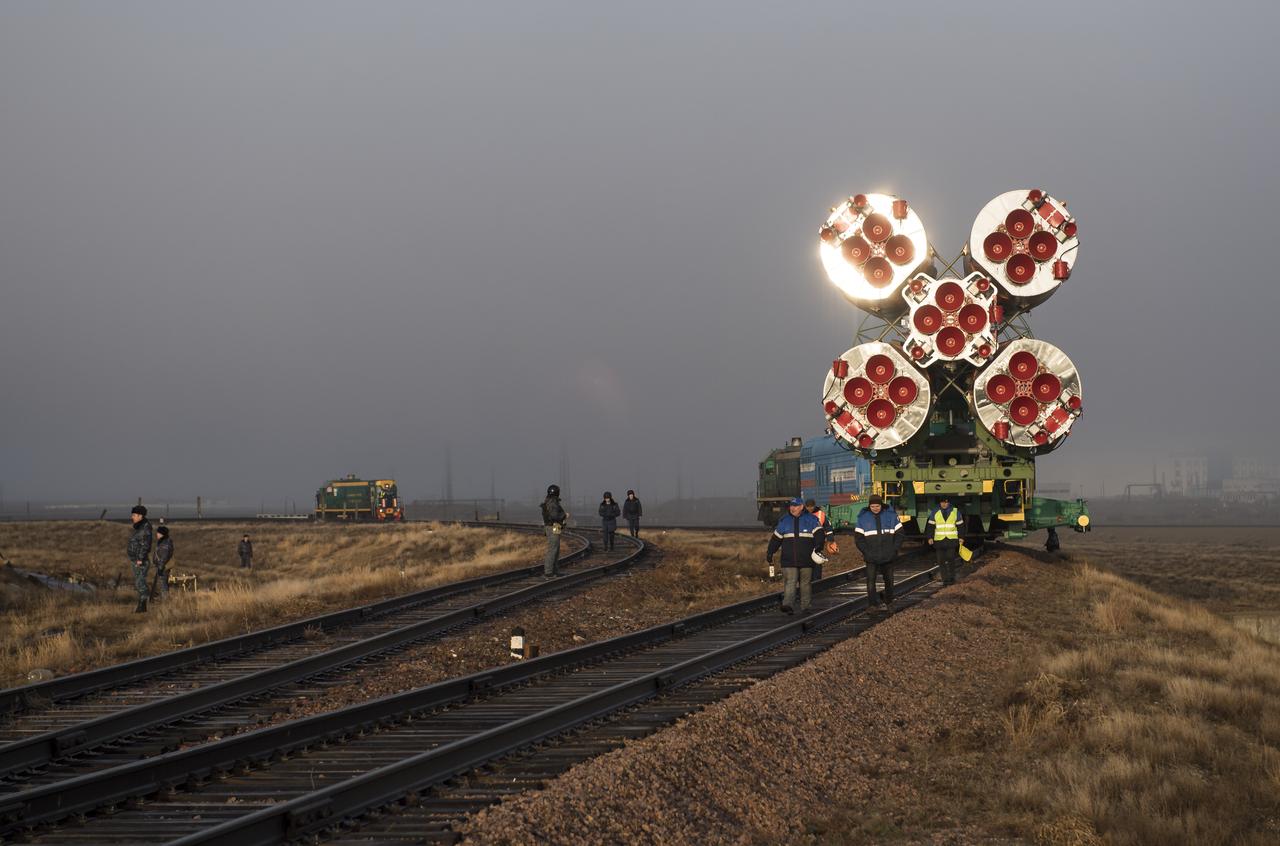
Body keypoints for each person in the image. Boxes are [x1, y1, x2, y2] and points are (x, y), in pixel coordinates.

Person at [765, 497, 826, 615]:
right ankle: (787, 605)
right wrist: (770, 552)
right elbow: (776, 539)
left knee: (805, 583)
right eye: (791, 506)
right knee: (790, 581)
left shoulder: (811, 519)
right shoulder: (784, 521)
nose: (792, 508)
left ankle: (806, 607)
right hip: (789, 559)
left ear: (802, 507)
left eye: (795, 506)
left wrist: (819, 547)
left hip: (807, 558)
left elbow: (820, 535)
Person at [854, 494, 903, 610]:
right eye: (872, 506)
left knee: (889, 581)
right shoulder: (862, 518)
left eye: (877, 506)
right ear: (869, 506)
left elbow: (900, 534)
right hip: (871, 557)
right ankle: (872, 605)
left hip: (888, 556)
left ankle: (889, 602)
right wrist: (866, 552)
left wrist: (894, 549)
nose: (875, 508)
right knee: (871, 582)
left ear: (881, 505)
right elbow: (858, 539)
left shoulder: (891, 516)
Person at [925, 495, 963, 586]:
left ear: (948, 503)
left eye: (945, 502)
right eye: (942, 502)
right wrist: (930, 537)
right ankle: (945, 579)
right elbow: (930, 526)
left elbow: (960, 526)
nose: (944, 504)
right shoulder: (935, 512)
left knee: (950, 558)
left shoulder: (955, 511)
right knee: (941, 560)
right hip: (939, 541)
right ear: (940, 503)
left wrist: (961, 537)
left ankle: (952, 577)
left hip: (951, 540)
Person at [126, 505, 153, 613]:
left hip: (140, 561)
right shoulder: (140, 527)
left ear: (140, 516)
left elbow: (145, 545)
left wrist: (140, 559)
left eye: (134, 515)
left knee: (139, 583)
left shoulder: (145, 528)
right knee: (138, 582)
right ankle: (142, 606)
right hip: (135, 560)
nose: (132, 517)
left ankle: (144, 602)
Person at [540, 484, 568, 577]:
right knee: (553, 549)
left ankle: (554, 570)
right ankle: (548, 571)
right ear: (557, 493)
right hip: (553, 526)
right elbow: (554, 516)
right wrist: (564, 515)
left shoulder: (550, 501)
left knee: (556, 549)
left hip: (555, 526)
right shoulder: (552, 502)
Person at [805, 498, 830, 580]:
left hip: (817, 544)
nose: (810, 508)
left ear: (814, 506)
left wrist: (831, 539)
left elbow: (827, 527)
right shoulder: (802, 515)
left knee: (817, 563)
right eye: (808, 507)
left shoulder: (820, 514)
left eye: (811, 506)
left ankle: (817, 581)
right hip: (806, 544)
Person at [151, 525, 174, 599]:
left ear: (162, 534)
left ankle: (165, 600)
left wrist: (160, 567)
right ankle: (163, 598)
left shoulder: (165, 544)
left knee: (163, 584)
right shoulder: (163, 542)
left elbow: (164, 557)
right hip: (161, 566)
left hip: (163, 567)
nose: (157, 534)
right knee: (162, 583)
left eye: (158, 533)